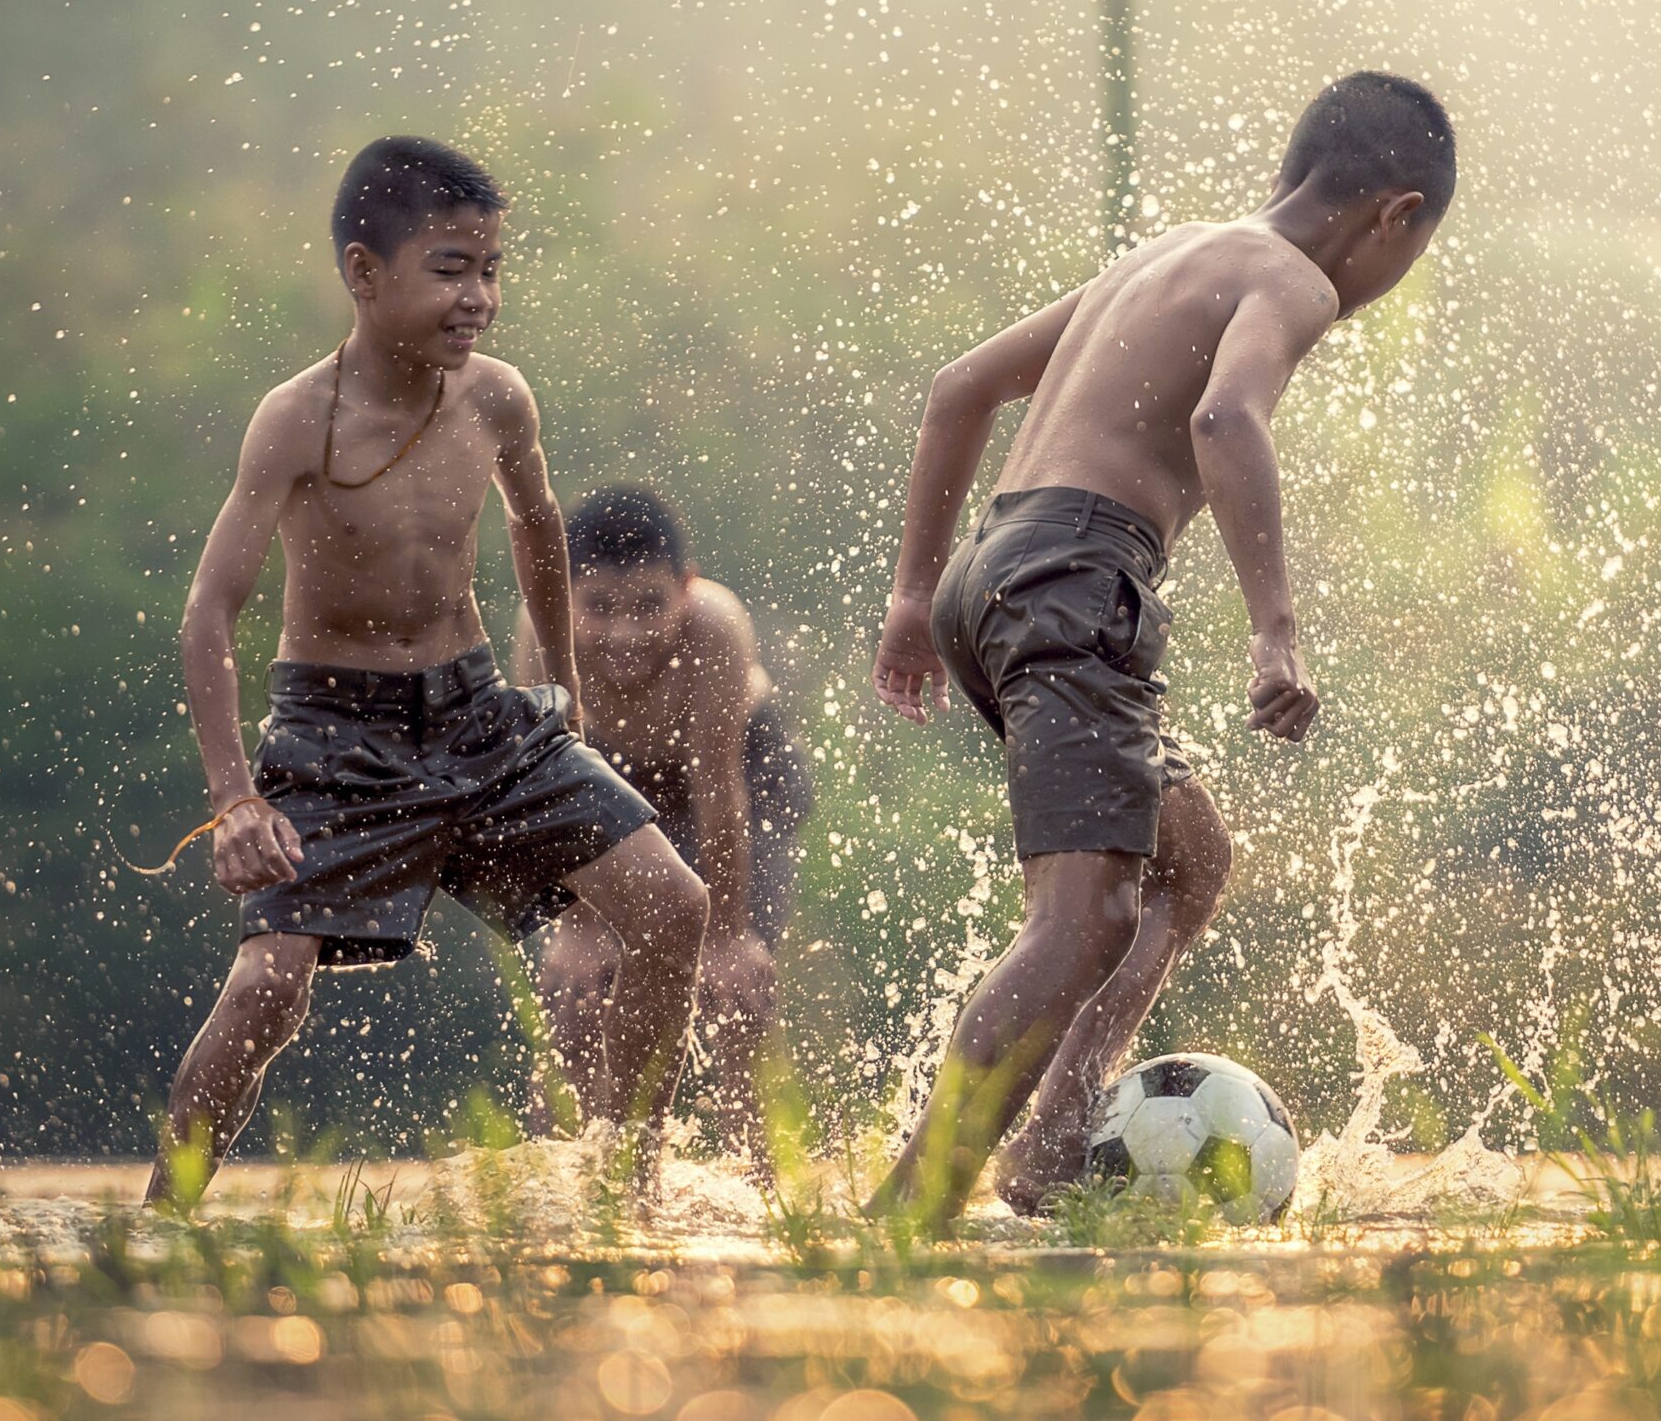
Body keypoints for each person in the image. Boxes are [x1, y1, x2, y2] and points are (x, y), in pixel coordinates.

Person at [868, 71, 1456, 1226]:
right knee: (1079, 920)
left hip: (996, 571)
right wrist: (1275, 631)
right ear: (1392, 214)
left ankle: (1046, 1146)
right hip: (1079, 576)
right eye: (1412, 247)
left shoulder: (1177, 251)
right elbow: (1224, 419)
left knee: (1187, 861)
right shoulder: (1290, 280)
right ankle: (902, 1219)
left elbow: (958, 389)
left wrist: (908, 596)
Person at [146, 137, 708, 1205]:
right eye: (451, 267)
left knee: (674, 906)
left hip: (479, 715)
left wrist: (565, 703)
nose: (480, 297)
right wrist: (234, 800)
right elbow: (208, 612)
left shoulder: (497, 400)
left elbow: (538, 527)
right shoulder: (296, 422)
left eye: (491, 269)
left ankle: (627, 1185)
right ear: (365, 272)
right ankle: (161, 1220)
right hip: (333, 732)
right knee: (269, 986)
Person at [514, 487, 810, 1152]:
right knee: (579, 988)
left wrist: (729, 935)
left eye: (650, 605)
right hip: (599, 779)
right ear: (564, 596)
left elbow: (718, 785)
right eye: (598, 608)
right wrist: (577, 927)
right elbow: (550, 781)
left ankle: (764, 1175)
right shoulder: (541, 630)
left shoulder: (716, 626)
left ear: (686, 587)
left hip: (736, 776)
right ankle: (575, 1168)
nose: (624, 634)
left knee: (734, 991)